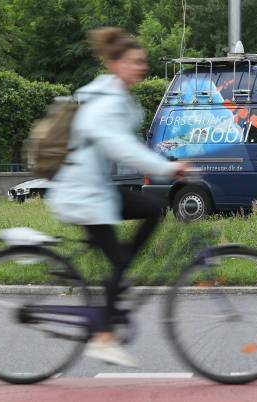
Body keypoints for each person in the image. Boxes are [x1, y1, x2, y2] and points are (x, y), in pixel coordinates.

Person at [47, 27, 188, 368]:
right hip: (83, 196)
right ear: (114, 64)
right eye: (133, 62)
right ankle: (103, 337)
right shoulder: (105, 103)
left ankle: (121, 264)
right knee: (118, 268)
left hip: (95, 190)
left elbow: (124, 143)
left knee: (154, 208)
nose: (141, 67)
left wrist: (165, 165)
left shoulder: (117, 98)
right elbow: (118, 146)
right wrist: (166, 169)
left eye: (142, 62)